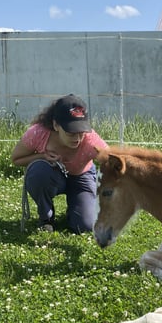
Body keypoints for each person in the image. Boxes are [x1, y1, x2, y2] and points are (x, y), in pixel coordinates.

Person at [12, 94, 108, 233]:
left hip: (82, 176)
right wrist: (42, 156)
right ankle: (46, 219)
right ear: (56, 125)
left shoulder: (91, 140)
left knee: (85, 226)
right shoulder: (38, 133)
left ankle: (76, 211)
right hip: (52, 174)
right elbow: (16, 159)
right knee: (38, 172)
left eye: (81, 132)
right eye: (71, 132)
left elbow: (113, 162)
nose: (77, 138)